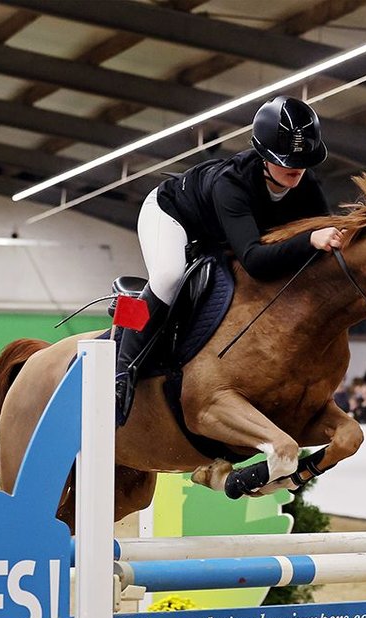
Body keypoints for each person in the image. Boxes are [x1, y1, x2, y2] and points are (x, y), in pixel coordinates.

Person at [115, 95, 343, 424]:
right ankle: (121, 374)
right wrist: (308, 240)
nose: (296, 168)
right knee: (168, 276)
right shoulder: (232, 184)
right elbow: (254, 259)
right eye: (286, 160)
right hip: (172, 214)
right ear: (264, 155)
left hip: (218, 234)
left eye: (302, 160)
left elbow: (325, 236)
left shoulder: (305, 185)